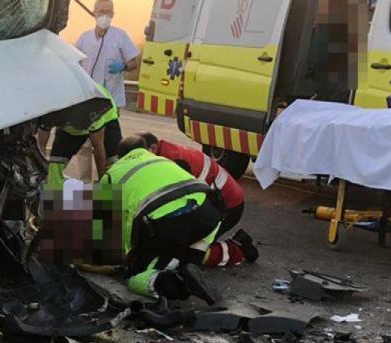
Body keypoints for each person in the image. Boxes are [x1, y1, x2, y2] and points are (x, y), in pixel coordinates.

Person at [98, 138, 223, 304]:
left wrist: (129, 258)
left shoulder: (110, 176)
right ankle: (191, 261)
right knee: (191, 236)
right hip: (209, 212)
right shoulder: (162, 160)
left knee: (135, 278)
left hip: (164, 224)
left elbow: (113, 228)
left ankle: (178, 285)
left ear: (120, 156)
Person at [134, 132, 259, 267]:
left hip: (227, 206)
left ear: (152, 148)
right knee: (178, 247)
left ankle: (237, 249)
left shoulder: (174, 160)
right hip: (218, 200)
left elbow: (177, 201)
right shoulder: (165, 153)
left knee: (187, 256)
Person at [46, 85, 122, 188]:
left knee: (113, 164)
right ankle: (54, 200)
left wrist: (103, 184)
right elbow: (41, 144)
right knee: (54, 166)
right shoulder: (49, 110)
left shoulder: (95, 110)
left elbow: (98, 148)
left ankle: (110, 197)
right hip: (72, 119)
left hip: (105, 116)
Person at [74, 0, 140, 110]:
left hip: (111, 99)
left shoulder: (120, 36)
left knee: (110, 127)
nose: (105, 15)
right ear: (94, 13)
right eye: (101, 11)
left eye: (108, 12)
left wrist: (123, 66)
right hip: (88, 97)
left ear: (113, 14)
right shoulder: (84, 38)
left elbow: (134, 63)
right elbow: (74, 64)